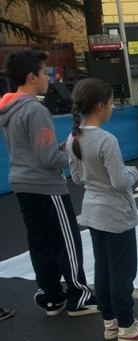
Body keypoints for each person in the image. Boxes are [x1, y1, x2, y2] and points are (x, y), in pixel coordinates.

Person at [65, 78, 138, 341]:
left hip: (93, 211)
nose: (112, 108)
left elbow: (77, 177)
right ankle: (127, 327)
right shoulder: (106, 140)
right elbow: (120, 182)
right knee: (122, 272)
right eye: (110, 104)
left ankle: (110, 322)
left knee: (104, 268)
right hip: (115, 213)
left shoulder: (73, 137)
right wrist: (133, 172)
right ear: (100, 106)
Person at [0, 50, 98, 317]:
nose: (48, 78)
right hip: (46, 186)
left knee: (40, 242)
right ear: (32, 77)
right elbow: (48, 158)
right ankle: (79, 296)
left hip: (22, 184)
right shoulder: (35, 110)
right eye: (44, 73)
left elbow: (33, 150)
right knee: (67, 241)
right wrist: (75, 156)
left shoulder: (8, 109)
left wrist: (61, 147)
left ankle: (52, 296)